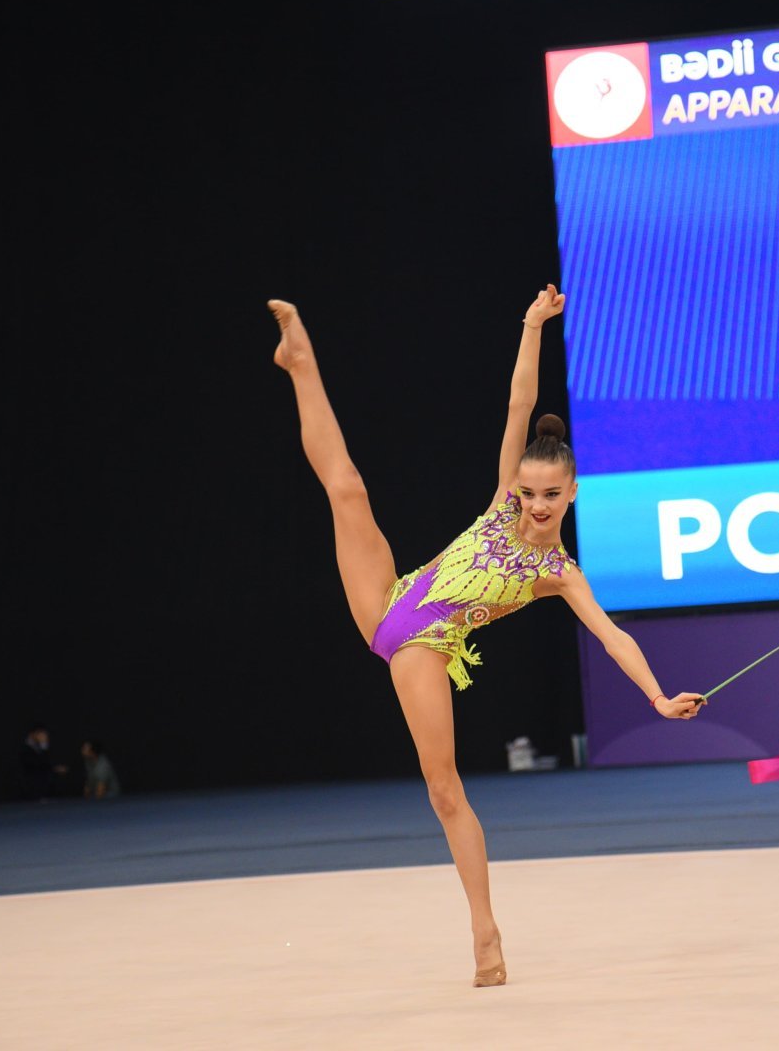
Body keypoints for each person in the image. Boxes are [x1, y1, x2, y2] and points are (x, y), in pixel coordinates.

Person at [268, 285, 704, 988]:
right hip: (391, 597)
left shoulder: (559, 572)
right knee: (346, 487)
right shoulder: (505, 504)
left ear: (572, 495)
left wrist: (655, 696)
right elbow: (518, 404)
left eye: (549, 496)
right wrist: (532, 326)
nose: (534, 505)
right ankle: (300, 361)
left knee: (443, 790)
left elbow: (613, 634)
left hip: (423, 647)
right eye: (528, 493)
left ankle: (485, 933)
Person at [20, 725, 68, 801]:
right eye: (41, 735)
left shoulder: (38, 746)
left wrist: (55, 769)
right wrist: (43, 745)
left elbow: (44, 763)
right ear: (34, 734)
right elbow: (36, 765)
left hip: (40, 782)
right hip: (29, 784)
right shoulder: (24, 748)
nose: (44, 737)